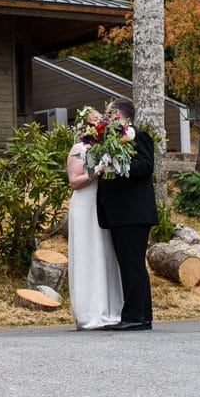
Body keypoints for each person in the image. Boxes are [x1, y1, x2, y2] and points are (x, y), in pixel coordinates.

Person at [96, 97, 158, 331]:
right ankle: (142, 317)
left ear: (122, 116)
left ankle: (134, 317)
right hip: (119, 213)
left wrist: (118, 165)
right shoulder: (108, 142)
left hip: (133, 212)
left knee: (133, 265)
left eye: (110, 115)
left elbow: (145, 166)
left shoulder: (138, 136)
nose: (106, 119)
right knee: (131, 264)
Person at [66, 106, 123, 330]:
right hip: (84, 204)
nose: (99, 128)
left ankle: (109, 310)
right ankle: (88, 313)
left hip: (101, 204)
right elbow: (74, 181)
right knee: (87, 253)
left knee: (103, 253)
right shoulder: (78, 148)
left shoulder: (104, 147)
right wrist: (97, 169)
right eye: (95, 124)